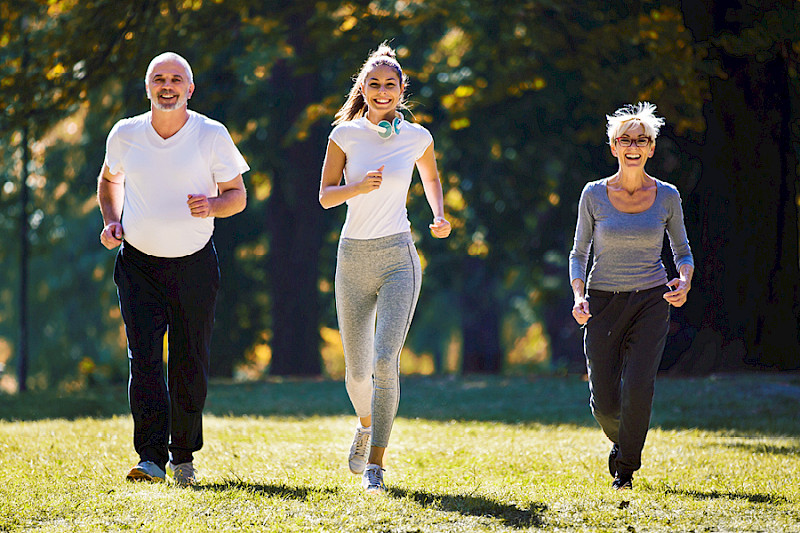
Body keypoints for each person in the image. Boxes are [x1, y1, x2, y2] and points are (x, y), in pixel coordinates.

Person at [97, 52, 248, 486]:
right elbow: (109, 181)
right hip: (139, 265)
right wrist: (112, 220)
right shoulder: (126, 134)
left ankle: (183, 458)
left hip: (195, 265)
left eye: (176, 79)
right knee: (144, 361)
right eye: (159, 79)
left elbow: (237, 195)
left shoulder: (211, 134)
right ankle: (149, 458)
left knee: (189, 362)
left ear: (190, 88)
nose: (167, 85)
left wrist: (212, 206)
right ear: (148, 88)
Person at [319, 43, 451, 494]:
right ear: (363, 88)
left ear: (401, 89)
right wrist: (356, 186)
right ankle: (366, 425)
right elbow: (325, 195)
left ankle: (376, 465)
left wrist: (438, 212)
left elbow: (431, 177)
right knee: (356, 374)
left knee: (383, 362)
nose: (381, 92)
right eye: (373, 84)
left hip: (398, 256)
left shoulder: (417, 137)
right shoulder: (345, 135)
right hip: (353, 258)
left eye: (389, 85)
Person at [568, 102, 694, 491]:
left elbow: (682, 251)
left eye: (642, 139)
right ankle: (621, 441)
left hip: (651, 300)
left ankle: (626, 468)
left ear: (652, 148)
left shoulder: (667, 196)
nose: (633, 145)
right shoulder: (594, 195)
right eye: (625, 139)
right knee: (604, 402)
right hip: (603, 300)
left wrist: (684, 280)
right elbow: (578, 254)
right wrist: (578, 295)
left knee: (638, 385)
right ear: (614, 147)